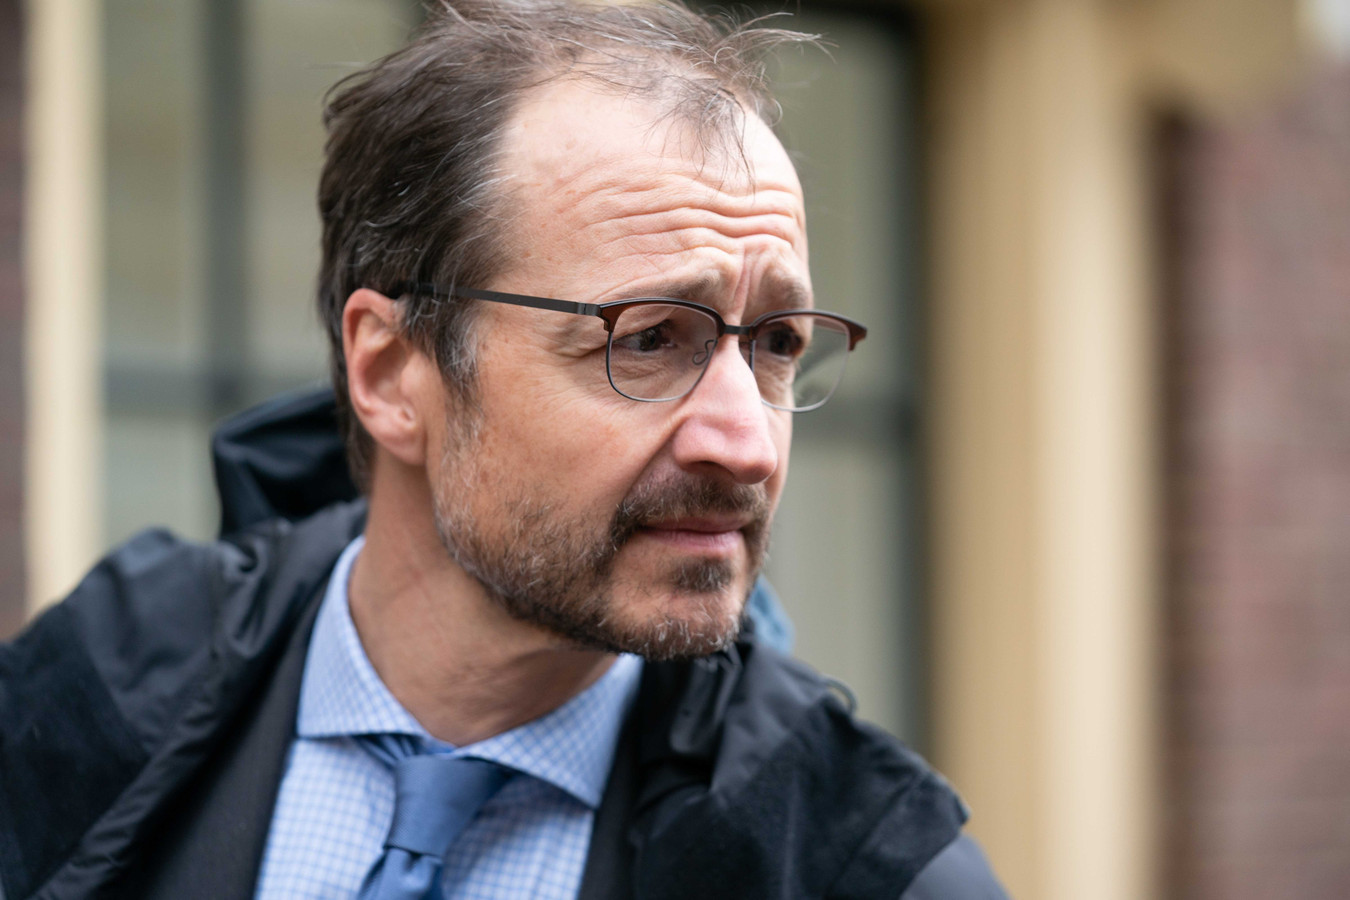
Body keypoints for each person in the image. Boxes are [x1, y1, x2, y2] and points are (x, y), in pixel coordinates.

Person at [0, 1, 1008, 898]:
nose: (747, 443)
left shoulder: (868, 867)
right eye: (648, 340)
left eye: (777, 343)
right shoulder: (78, 710)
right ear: (392, 371)